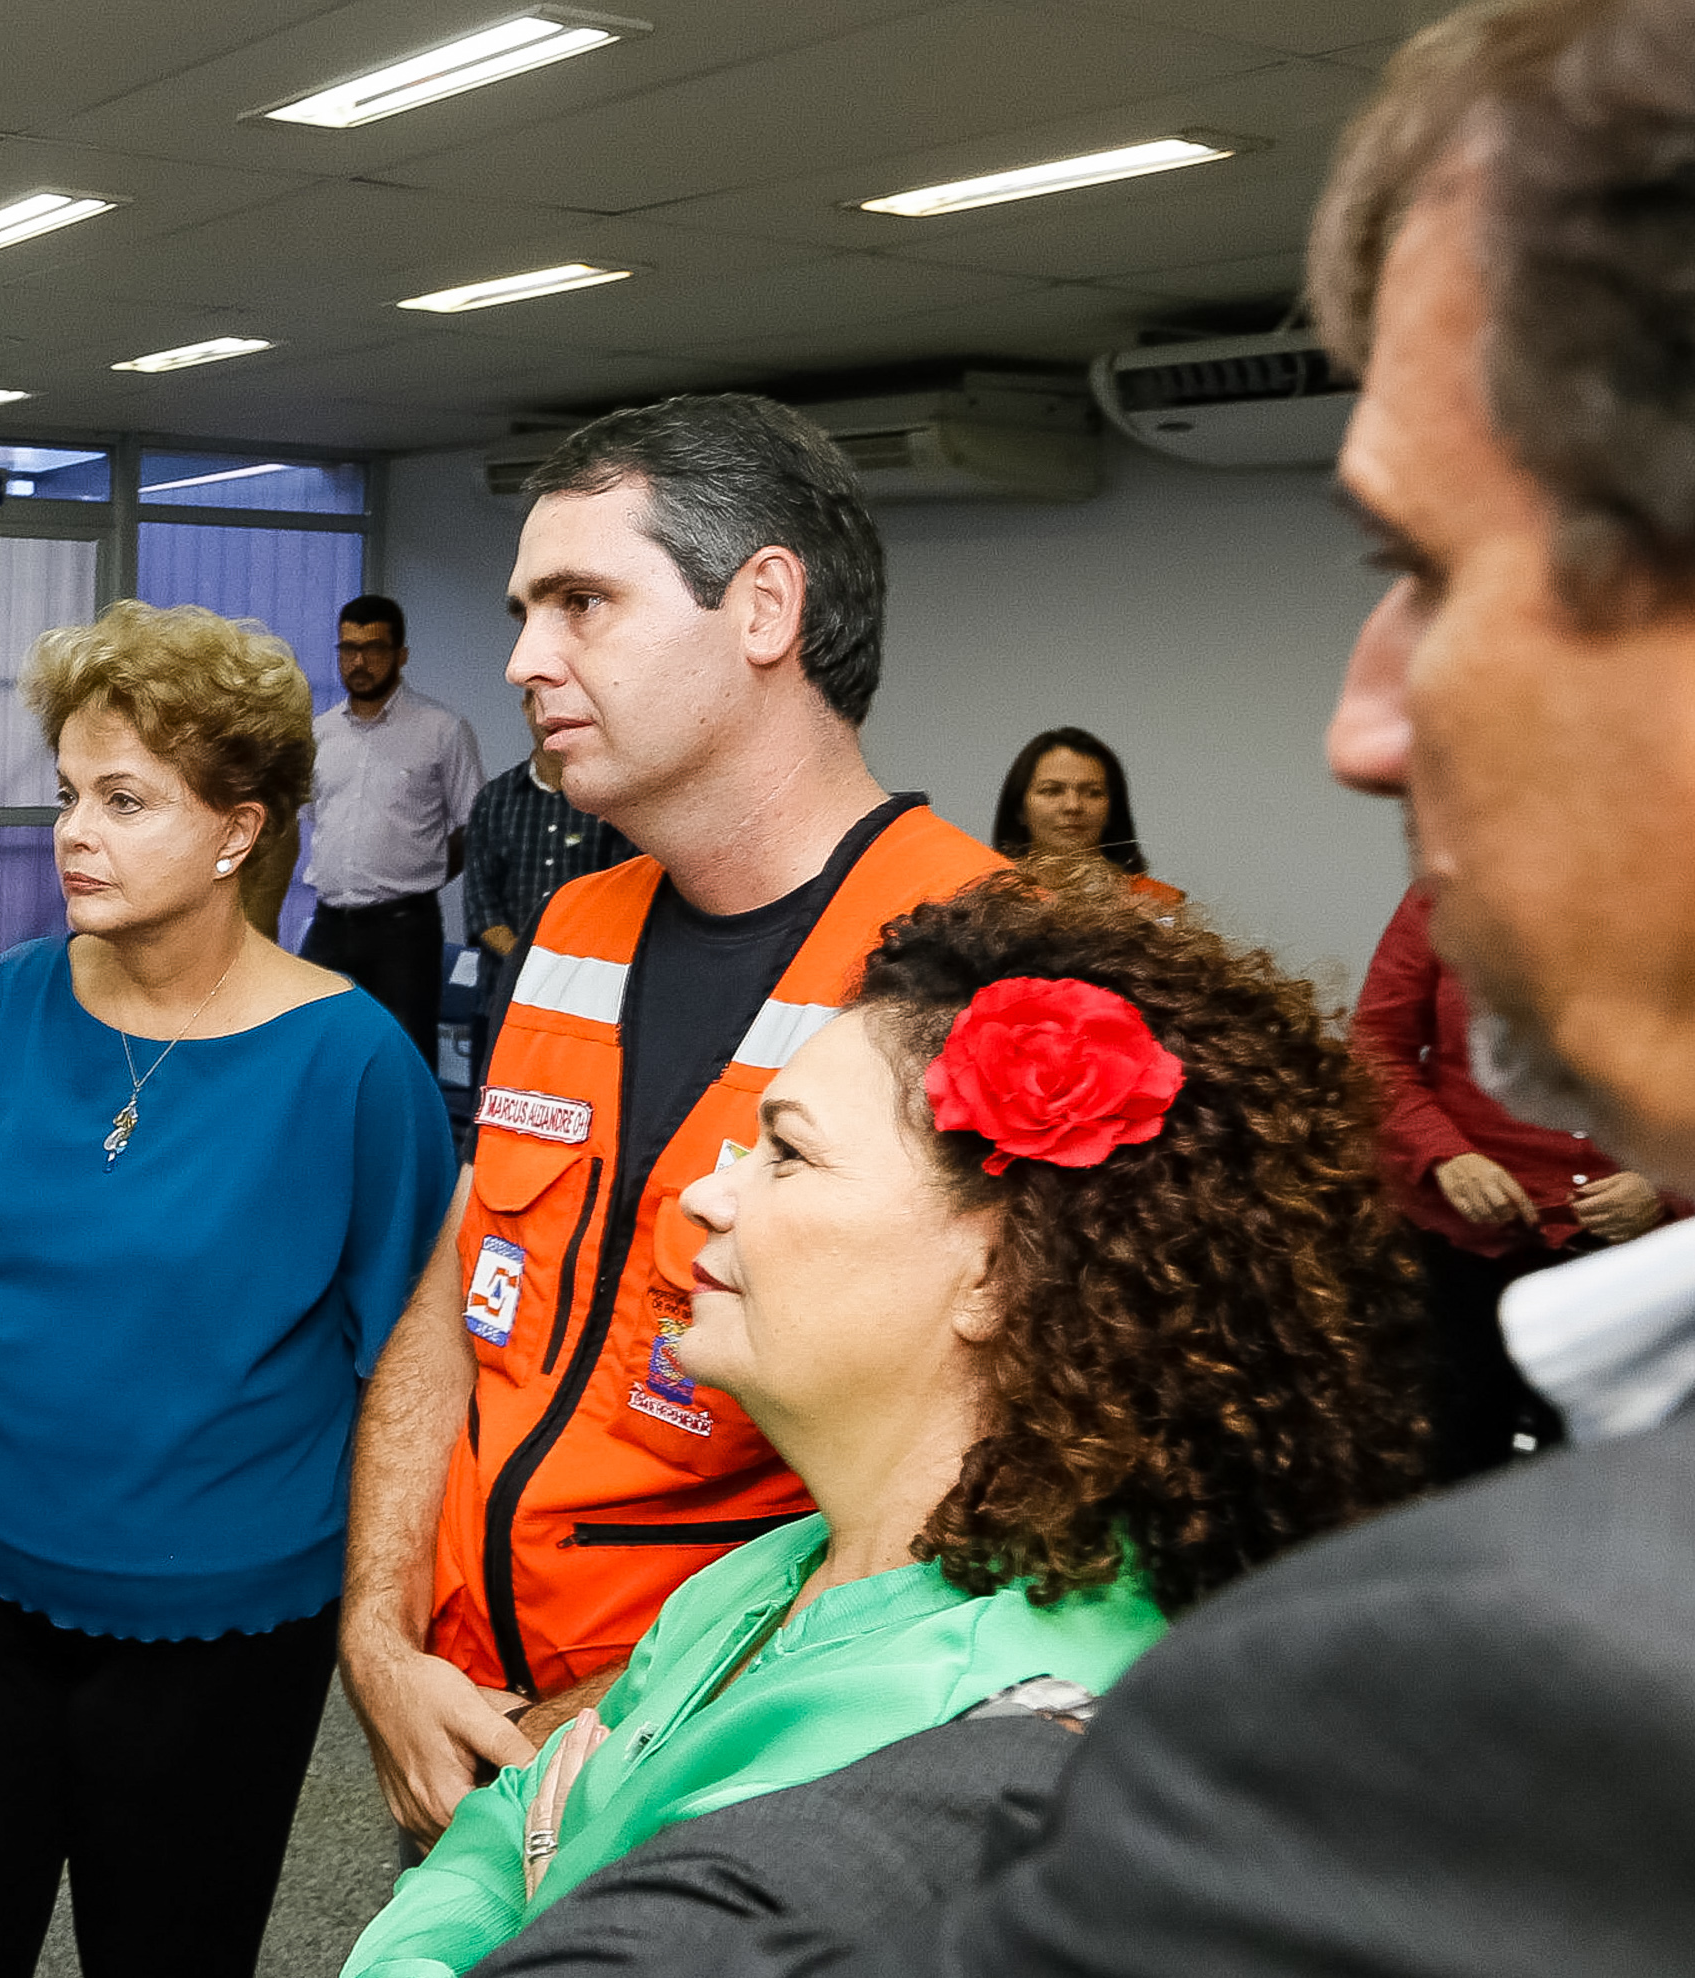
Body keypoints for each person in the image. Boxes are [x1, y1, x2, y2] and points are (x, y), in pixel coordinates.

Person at [479, 3, 1695, 1966]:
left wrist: (596, 1838)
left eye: (1428, 565)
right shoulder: (581, 928)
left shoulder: (1469, 1690)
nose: (1361, 725)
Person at [340, 876, 1426, 1975]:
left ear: (996, 1272)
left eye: (787, 1153)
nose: (706, 1197)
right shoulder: (781, 1567)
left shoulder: (968, 1725)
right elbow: (488, 1839)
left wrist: (543, 1862)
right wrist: (533, 1861)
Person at [340, 393, 1007, 1858]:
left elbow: (994, 1468)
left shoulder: (978, 963)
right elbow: (456, 1299)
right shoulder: (572, 927)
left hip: (728, 1768)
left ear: (764, 607)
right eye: (524, 610)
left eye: (580, 601)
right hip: (463, 1716)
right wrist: (379, 1638)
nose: (523, 658)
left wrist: (626, 1717)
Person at [0, 601, 454, 1978]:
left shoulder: (353, 1065)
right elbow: (1, 1281)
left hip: (222, 1624)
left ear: (236, 831)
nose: (73, 832)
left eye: (124, 800)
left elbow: (414, 1361)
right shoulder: (5, 1004)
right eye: (68, 794)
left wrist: (384, 1619)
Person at [1355, 882, 1682, 1480]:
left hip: (1627, 1259)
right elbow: (1376, 1052)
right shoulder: (1443, 897)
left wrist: (1664, 1187)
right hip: (1463, 1247)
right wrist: (1447, 1157)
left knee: (1612, 1469)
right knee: (1455, 1454)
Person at [302, 593, 484, 1066]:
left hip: (403, 931)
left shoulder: (441, 730)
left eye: (373, 648)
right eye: (348, 648)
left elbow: (474, 824)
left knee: (403, 1061)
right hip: (329, 924)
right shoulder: (320, 734)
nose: (359, 662)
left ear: (401, 655)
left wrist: (423, 873)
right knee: (313, 1050)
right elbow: (314, 818)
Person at [462, 737, 634, 1075]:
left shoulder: (608, 801)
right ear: (526, 712)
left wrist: (562, 964)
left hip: (584, 999)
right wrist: (530, 960)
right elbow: (481, 905)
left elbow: (623, 898)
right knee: (492, 1097)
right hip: (502, 995)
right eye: (533, 706)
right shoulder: (495, 799)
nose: (544, 715)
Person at [986, 727, 1179, 913]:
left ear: (1113, 808)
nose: (1073, 806)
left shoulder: (1157, 905)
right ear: (1019, 809)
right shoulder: (987, 901)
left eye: (1093, 793)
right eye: (1052, 791)